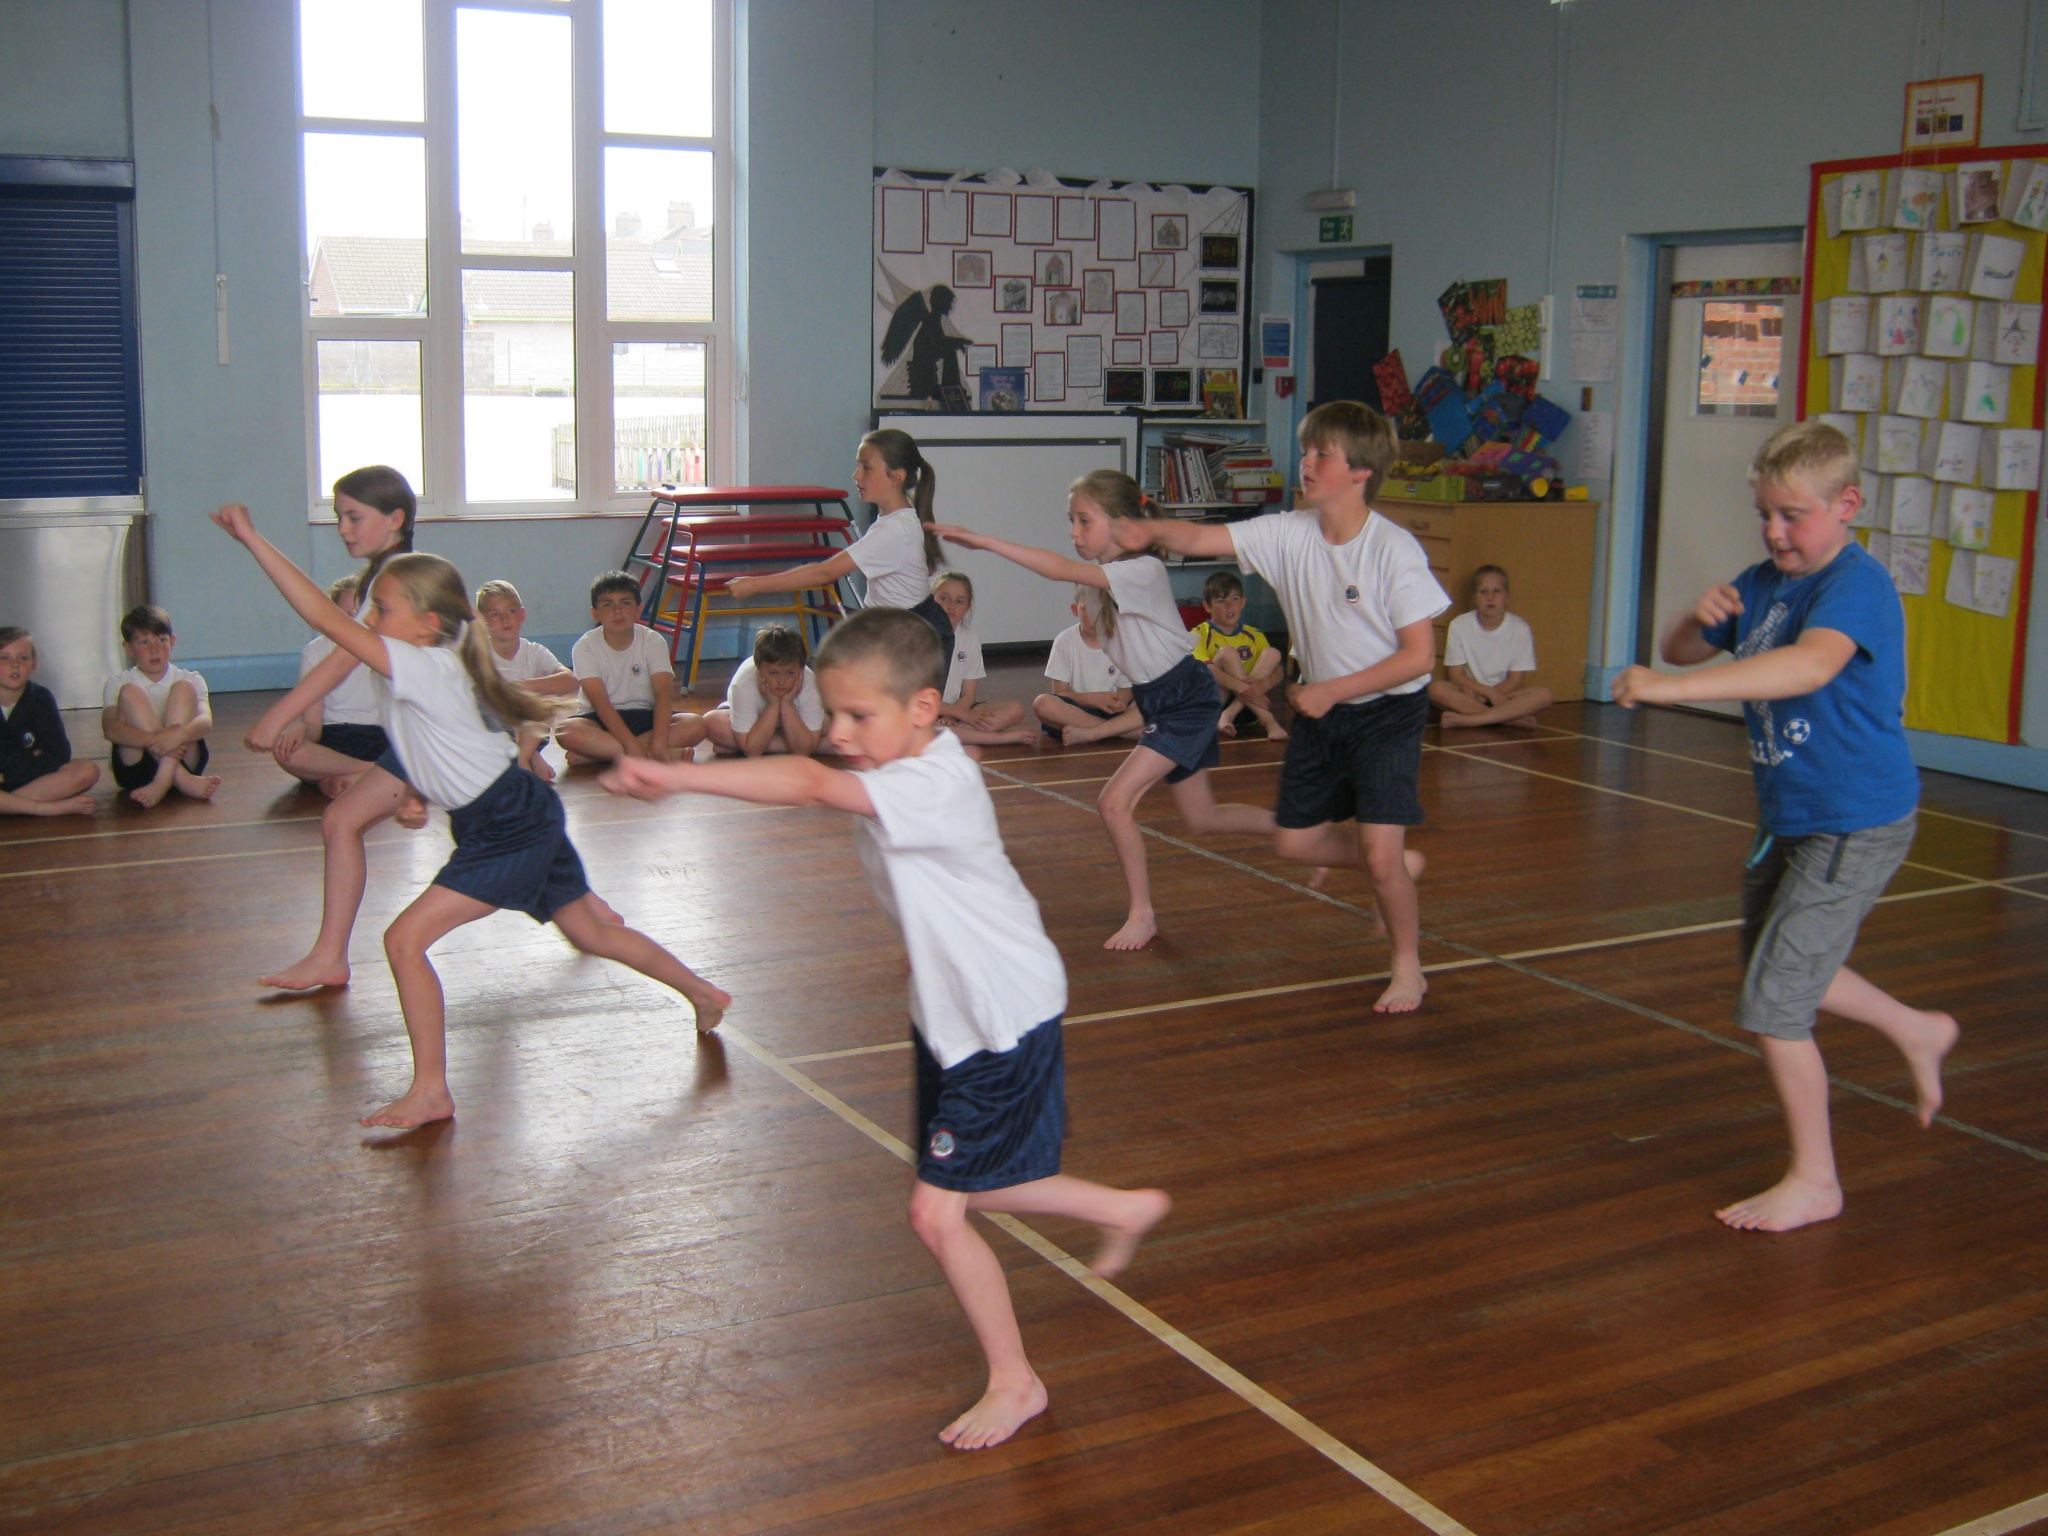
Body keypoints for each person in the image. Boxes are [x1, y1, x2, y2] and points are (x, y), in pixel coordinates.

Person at [602, 608, 1169, 1451]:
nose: (839, 734)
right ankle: (1118, 1208)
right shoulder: (905, 764)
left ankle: (1018, 1382)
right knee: (969, 1183)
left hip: (999, 1019)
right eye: (832, 715)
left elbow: (808, 784)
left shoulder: (934, 780)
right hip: (951, 1015)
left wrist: (676, 777)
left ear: (924, 709)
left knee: (937, 1215)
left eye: (858, 717)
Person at [213, 502, 730, 1129]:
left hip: (508, 824)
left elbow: (321, 615)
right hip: (511, 813)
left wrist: (251, 537)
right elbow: (440, 748)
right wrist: (412, 795)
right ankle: (704, 993)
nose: (372, 622)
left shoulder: (421, 661)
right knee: (591, 933)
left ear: (427, 624)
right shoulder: (428, 661)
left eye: (384, 611)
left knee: (403, 941)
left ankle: (431, 1090)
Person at [1612, 420, 1956, 1233]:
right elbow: (1683, 647)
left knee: (1774, 1003)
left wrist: (1667, 690)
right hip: (1791, 817)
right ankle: (1917, 1028)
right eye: (1764, 513)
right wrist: (1695, 626)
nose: (1774, 532)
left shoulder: (1854, 586)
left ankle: (1817, 1180)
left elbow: (1809, 665)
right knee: (1777, 969)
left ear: (1847, 504)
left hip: (1855, 819)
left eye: (1792, 515)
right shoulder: (1763, 580)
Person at [1112, 402, 1446, 1013]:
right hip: (1323, 714)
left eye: (1323, 454)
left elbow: (1419, 656)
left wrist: (1330, 690)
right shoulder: (1288, 531)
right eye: (1308, 449)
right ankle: (1398, 864)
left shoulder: (1393, 550)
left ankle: (1407, 965)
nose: (1308, 463)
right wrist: (1150, 532)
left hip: (1386, 715)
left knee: (1377, 852)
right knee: (1295, 845)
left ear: (1362, 471)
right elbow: (1201, 537)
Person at [934, 470, 1278, 951]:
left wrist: (988, 542)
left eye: (1084, 521)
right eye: (1070, 521)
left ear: (1122, 523)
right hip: (1162, 697)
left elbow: (1057, 569)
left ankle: (1142, 915)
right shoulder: (1099, 587)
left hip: (1186, 697)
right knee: (1205, 817)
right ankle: (1296, 829)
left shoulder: (1142, 571)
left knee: (1113, 803)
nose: (1073, 532)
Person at [244, 465, 423, 992]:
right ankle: (329, 958)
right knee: (340, 820)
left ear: (395, 519)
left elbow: (338, 644)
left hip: (453, 740)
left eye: (353, 516)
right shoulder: (384, 577)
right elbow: (332, 626)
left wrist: (277, 716)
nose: (343, 527)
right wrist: (253, 540)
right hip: (423, 742)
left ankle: (585, 912)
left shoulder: (403, 580)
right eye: (338, 515)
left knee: (512, 835)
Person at [725, 429, 955, 656]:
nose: (856, 475)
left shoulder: (894, 529)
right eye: (858, 466)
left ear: (897, 477)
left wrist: (755, 585)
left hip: (911, 637)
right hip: (897, 628)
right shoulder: (898, 517)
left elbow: (824, 572)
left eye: (866, 467)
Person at [556, 572, 707, 766]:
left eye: (626, 603)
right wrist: (632, 746)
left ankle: (600, 754)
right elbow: (600, 702)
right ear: (595, 613)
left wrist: (659, 744)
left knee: (696, 725)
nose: (618, 611)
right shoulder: (585, 647)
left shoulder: (652, 640)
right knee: (566, 731)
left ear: (638, 610)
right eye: (608, 604)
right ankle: (641, 753)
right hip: (600, 719)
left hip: (646, 716)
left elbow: (663, 693)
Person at [269, 579, 392, 799]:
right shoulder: (316, 651)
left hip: (378, 736)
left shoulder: (385, 648)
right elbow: (313, 725)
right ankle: (374, 773)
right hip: (333, 740)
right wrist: (301, 730)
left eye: (359, 613)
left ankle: (330, 780)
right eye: (346, 613)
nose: (354, 621)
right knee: (286, 750)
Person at [102, 604, 221, 808]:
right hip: (138, 769)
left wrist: (179, 735)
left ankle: (164, 780)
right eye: (144, 642)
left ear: (172, 641)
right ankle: (179, 779)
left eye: (161, 640)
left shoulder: (191, 678)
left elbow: (205, 722)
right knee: (131, 692)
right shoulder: (118, 682)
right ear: (128, 648)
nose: (154, 650)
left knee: (184, 688)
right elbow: (111, 729)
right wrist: (154, 740)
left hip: (186, 759)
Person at [1430, 565, 1553, 729]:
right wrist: (1487, 694)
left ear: (1507, 597)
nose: (1490, 597)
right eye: (1483, 592)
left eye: (1497, 591)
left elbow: (1515, 678)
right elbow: (1457, 676)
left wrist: (1496, 694)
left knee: (1545, 695)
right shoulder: (1459, 625)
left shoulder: (1519, 628)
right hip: (1470, 694)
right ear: (1474, 597)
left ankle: (1471, 719)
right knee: (1436, 689)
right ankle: (1508, 719)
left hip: (1505, 695)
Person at [0, 627, 99, 816]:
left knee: (87, 770)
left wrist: (7, 775)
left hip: (31, 783)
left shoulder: (41, 698)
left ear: (34, 664)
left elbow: (58, 754)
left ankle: (10, 807)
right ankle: (44, 808)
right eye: (4, 658)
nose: (15, 665)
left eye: (23, 658)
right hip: (30, 783)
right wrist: (32, 755)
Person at [929, 571, 1035, 747]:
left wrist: (955, 714)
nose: (951, 606)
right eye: (944, 598)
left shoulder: (969, 638)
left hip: (957, 710)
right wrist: (958, 714)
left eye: (959, 601)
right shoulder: (919, 634)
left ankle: (951, 733)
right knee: (916, 724)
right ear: (931, 600)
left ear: (968, 607)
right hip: (926, 711)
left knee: (1014, 710)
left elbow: (969, 694)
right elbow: (916, 698)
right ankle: (995, 738)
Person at [1032, 587, 1141, 746]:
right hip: (1076, 712)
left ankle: (1095, 732)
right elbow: (1060, 692)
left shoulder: (1121, 641)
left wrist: (1122, 700)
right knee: (1043, 704)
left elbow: (1127, 688)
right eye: (1087, 609)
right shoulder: (1064, 641)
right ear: (1074, 609)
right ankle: (1121, 731)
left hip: (1112, 711)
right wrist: (1094, 700)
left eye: (1102, 610)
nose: (1095, 617)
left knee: (1148, 700)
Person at [1190, 569, 1286, 741]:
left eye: (1234, 599)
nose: (1229, 606)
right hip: (1214, 703)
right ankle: (1269, 720)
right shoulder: (1199, 634)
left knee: (1273, 653)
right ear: (1207, 606)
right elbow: (1209, 670)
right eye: (1221, 601)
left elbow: (1278, 671)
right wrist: (1244, 688)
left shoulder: (1254, 635)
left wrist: (1263, 685)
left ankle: (1229, 714)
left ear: (1243, 602)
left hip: (1248, 708)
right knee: (1228, 653)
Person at [702, 625, 825, 758]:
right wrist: (773, 704)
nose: (781, 682)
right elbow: (752, 751)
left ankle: (739, 745)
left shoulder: (809, 682)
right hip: (754, 724)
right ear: (759, 670)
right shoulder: (744, 682)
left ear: (801, 670)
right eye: (773, 673)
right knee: (710, 722)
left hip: (791, 723)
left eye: (789, 673)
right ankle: (821, 746)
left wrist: (787, 703)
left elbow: (803, 751)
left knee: (831, 722)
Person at [475, 580, 578, 696]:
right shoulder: (478, 657)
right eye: (495, 614)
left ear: (522, 615)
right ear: (483, 622)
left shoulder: (534, 652)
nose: (505, 619)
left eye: (511, 611)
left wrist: (515, 688)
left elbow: (571, 681)